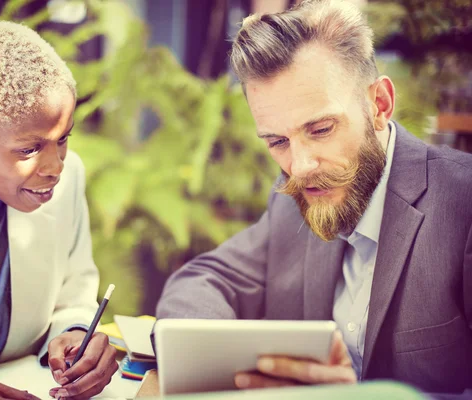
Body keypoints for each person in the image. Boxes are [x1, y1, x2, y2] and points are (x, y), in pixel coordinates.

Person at [156, 0, 472, 398]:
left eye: (320, 129)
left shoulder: (464, 205)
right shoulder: (294, 198)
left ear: (379, 105)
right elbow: (202, 280)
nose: (300, 166)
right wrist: (213, 363)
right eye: (277, 141)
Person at [0, 21, 117, 400]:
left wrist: (73, 336)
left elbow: (72, 295)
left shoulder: (67, 178)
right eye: (28, 149)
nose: (55, 166)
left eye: (63, 140)